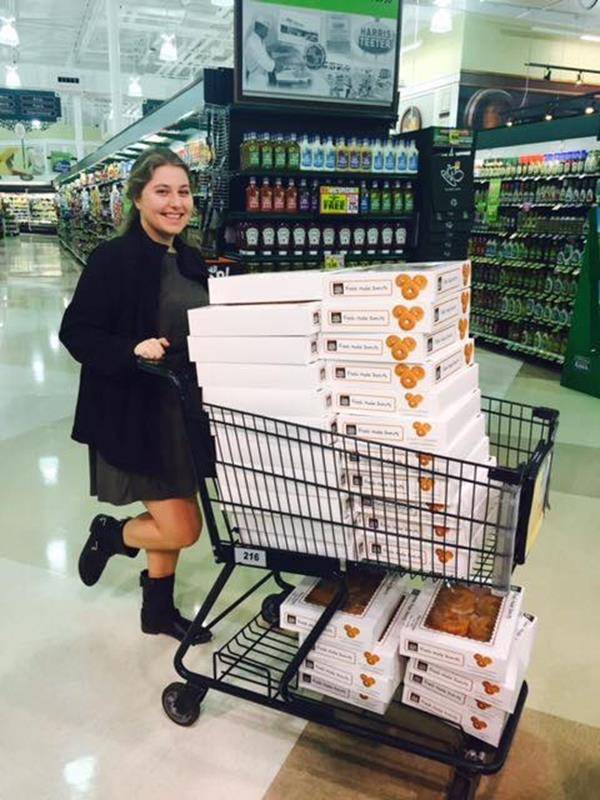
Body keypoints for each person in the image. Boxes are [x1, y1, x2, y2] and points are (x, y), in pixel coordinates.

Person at [59, 148, 215, 643]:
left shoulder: (192, 259)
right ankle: (112, 534)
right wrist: (131, 348)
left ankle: (157, 611)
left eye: (183, 192)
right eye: (162, 191)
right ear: (138, 198)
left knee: (174, 514)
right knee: (183, 527)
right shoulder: (113, 258)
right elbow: (77, 332)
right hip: (132, 413)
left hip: (180, 411)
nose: (176, 203)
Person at [245, 15, 275, 90]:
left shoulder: (258, 40)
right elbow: (267, 64)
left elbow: (265, 56)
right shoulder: (253, 42)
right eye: (266, 30)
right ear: (261, 28)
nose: (267, 33)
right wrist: (279, 64)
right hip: (256, 81)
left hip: (261, 78)